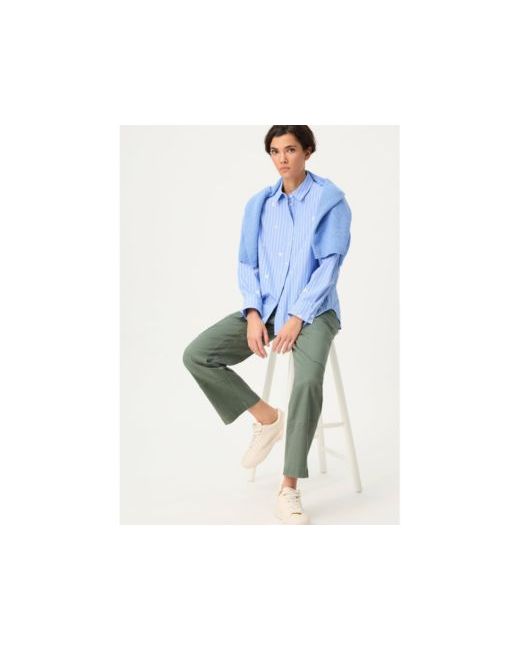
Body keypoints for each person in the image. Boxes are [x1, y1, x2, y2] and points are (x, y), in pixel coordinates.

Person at [183, 125, 352, 524]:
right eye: (275, 151)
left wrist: (298, 316)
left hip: (315, 311)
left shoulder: (329, 200)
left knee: (306, 382)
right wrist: (254, 313)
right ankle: (267, 419)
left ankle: (289, 487)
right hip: (268, 310)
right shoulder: (259, 204)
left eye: (290, 149)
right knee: (198, 355)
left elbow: (330, 266)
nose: (282, 159)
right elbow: (247, 263)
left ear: (307, 151)